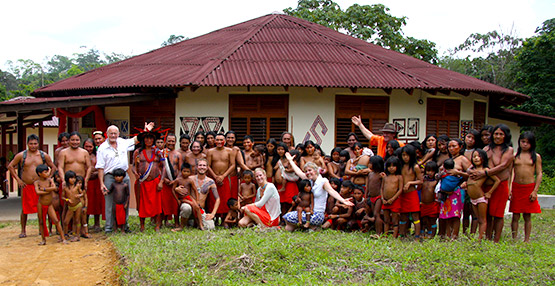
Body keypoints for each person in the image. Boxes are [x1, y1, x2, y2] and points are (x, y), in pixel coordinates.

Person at [96, 122, 154, 234]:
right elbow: (100, 168)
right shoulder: (102, 148)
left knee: (125, 201)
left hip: (124, 175)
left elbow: (136, 140)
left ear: (118, 134)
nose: (113, 135)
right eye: (111, 133)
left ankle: (124, 226)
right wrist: (102, 183)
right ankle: (109, 227)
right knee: (109, 203)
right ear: (107, 134)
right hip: (110, 176)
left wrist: (145, 130)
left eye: (115, 133)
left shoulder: (122, 142)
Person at [282, 154, 353, 231]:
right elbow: (298, 172)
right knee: (288, 226)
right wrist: (290, 161)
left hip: (317, 214)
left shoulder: (323, 181)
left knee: (288, 216)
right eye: (306, 171)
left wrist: (343, 200)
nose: (308, 173)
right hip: (308, 212)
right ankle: (308, 228)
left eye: (310, 170)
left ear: (315, 171)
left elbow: (331, 191)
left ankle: (312, 227)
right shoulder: (309, 180)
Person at [469, 124, 514, 243]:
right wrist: (470, 171)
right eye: (495, 134)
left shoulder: (509, 150)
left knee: (498, 214)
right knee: (487, 214)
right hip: (484, 186)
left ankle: (496, 240)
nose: (497, 136)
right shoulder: (486, 149)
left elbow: (503, 166)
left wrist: (485, 173)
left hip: (501, 185)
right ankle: (487, 237)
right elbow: (475, 164)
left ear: (506, 136)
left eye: (501, 134)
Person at [8, 134, 57, 238]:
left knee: (45, 207)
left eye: (35, 143)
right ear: (27, 144)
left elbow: (53, 167)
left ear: (38, 144)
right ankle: (23, 230)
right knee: (25, 209)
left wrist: (49, 179)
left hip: (41, 185)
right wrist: (18, 180)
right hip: (27, 185)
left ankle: (45, 229)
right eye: (31, 144)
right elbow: (11, 166)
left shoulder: (44, 155)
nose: (33, 146)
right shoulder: (21, 155)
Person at [510, 131, 542, 242]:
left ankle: (526, 240)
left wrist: (535, 190)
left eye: (527, 142)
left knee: (527, 216)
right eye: (523, 141)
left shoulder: (536, 157)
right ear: (519, 142)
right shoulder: (515, 156)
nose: (525, 144)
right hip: (516, 187)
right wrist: (510, 189)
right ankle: (514, 238)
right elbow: (511, 173)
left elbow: (539, 173)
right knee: (515, 215)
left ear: (532, 144)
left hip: (529, 187)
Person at [132, 130, 165, 232]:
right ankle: (142, 226)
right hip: (142, 182)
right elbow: (134, 166)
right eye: (146, 138)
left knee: (157, 205)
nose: (148, 140)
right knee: (142, 204)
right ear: (143, 139)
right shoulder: (138, 152)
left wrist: (161, 181)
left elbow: (163, 167)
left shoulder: (158, 152)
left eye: (151, 138)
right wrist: (135, 173)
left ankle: (157, 225)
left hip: (155, 181)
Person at [465, 149, 500, 240]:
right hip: (472, 199)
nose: (476, 158)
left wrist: (489, 192)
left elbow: (497, 180)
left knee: (482, 219)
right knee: (477, 218)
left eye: (478, 156)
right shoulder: (471, 170)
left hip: (481, 198)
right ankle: (478, 236)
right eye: (474, 156)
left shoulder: (485, 170)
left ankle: (480, 239)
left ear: (483, 158)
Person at [34, 164, 66, 245]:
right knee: (41, 221)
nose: (47, 173)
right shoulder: (37, 182)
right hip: (41, 204)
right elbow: (38, 192)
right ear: (39, 173)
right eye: (45, 172)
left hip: (49, 204)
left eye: (47, 171)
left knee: (56, 220)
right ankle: (43, 239)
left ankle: (63, 238)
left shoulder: (50, 180)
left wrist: (44, 189)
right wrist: (49, 190)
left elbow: (54, 188)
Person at [184, 158, 219, 230]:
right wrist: (176, 189)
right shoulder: (190, 178)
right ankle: (185, 222)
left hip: (200, 210)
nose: (202, 167)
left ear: (207, 168)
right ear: (197, 167)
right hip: (190, 207)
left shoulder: (210, 182)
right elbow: (181, 188)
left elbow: (218, 199)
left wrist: (213, 213)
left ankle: (195, 222)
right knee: (186, 208)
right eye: (200, 165)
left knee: (211, 227)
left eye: (204, 165)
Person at [207, 134, 236, 219]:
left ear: (225, 141)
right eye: (217, 140)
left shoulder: (229, 151)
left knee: (225, 198)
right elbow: (208, 166)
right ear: (214, 141)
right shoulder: (210, 151)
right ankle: (214, 218)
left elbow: (232, 165)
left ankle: (224, 219)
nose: (219, 142)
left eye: (221, 140)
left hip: (225, 178)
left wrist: (223, 176)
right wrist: (215, 176)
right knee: (213, 198)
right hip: (213, 178)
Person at [399, 145, 422, 239]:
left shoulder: (415, 167)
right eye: (403, 155)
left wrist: (410, 183)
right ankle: (402, 234)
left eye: (407, 155)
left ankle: (417, 236)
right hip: (402, 194)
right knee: (403, 216)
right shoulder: (400, 166)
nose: (405, 157)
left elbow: (420, 180)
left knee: (415, 215)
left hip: (412, 193)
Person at [171, 162, 204, 231]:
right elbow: (173, 189)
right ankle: (181, 226)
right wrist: (177, 199)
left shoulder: (190, 180)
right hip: (181, 198)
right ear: (181, 171)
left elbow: (195, 190)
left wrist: (197, 200)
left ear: (190, 173)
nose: (186, 173)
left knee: (197, 207)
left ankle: (200, 224)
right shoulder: (178, 180)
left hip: (189, 197)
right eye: (184, 171)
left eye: (188, 172)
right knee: (189, 206)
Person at [161, 133, 182, 227]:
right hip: (165, 181)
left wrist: (176, 180)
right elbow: (159, 167)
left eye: (173, 141)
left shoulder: (178, 154)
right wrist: (164, 179)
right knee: (164, 202)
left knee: (175, 203)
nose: (171, 143)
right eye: (169, 141)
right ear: (166, 141)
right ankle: (164, 221)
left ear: (175, 142)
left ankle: (177, 222)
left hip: (175, 182)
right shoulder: (162, 153)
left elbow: (181, 169)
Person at [83, 138, 103, 232]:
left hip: (96, 181)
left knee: (96, 203)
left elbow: (100, 167)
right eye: (86, 146)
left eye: (90, 146)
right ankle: (85, 223)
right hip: (85, 182)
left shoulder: (97, 155)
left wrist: (95, 174)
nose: (88, 148)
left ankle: (97, 224)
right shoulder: (81, 155)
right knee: (86, 203)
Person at [381, 156, 403, 238]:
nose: (391, 168)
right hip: (385, 201)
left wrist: (392, 199)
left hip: (394, 200)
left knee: (395, 219)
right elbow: (382, 188)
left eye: (393, 166)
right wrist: (382, 198)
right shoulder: (385, 177)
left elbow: (400, 189)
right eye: (389, 166)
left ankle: (394, 236)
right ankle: (385, 235)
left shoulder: (399, 177)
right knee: (386, 219)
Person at [420, 161, 440, 238]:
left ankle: (432, 234)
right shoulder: (423, 181)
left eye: (432, 171)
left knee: (432, 220)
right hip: (424, 204)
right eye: (428, 171)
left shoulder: (436, 181)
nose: (430, 173)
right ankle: (427, 231)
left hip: (432, 204)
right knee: (424, 220)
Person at [62, 170, 82, 242]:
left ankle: (77, 235)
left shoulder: (77, 186)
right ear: (67, 179)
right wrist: (67, 200)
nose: (73, 180)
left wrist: (79, 195)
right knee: (65, 222)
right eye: (71, 178)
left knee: (77, 220)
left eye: (74, 178)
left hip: (78, 205)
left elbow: (82, 193)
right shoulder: (65, 187)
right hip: (70, 206)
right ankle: (65, 235)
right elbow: (62, 197)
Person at [366, 155, 384, 234]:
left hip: (378, 197)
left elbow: (383, 186)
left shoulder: (381, 175)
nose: (368, 165)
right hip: (372, 197)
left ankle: (379, 233)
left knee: (377, 214)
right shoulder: (370, 174)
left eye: (370, 163)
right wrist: (366, 196)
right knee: (375, 214)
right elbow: (368, 186)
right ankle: (377, 230)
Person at [108, 168, 129, 232]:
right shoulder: (113, 184)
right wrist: (106, 192)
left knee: (122, 217)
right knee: (115, 217)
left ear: (123, 177)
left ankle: (122, 230)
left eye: (119, 176)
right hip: (115, 203)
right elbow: (110, 191)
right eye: (116, 176)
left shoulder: (125, 185)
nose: (118, 178)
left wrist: (126, 203)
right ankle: (115, 229)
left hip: (122, 203)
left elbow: (128, 195)